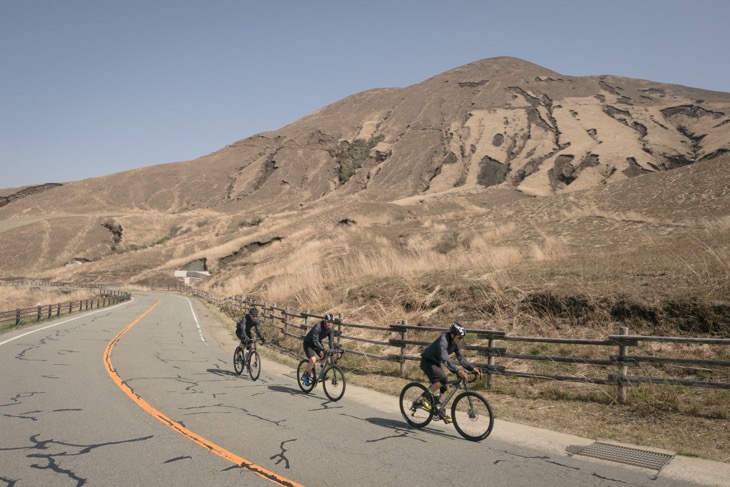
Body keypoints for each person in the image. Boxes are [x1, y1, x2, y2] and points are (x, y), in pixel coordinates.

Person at [419, 321, 482, 423]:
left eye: (462, 338)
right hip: (427, 362)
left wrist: (472, 368)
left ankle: (439, 409)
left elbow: (461, 359)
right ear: (452, 335)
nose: (461, 340)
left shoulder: (455, 343)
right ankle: (424, 398)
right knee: (443, 379)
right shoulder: (443, 342)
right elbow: (445, 359)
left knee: (445, 389)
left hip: (436, 363)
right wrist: (457, 371)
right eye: (459, 338)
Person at [301, 313, 337, 386]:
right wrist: (323, 349)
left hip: (317, 344)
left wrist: (332, 349)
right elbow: (315, 341)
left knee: (326, 357)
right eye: (328, 322)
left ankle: (319, 373)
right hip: (309, 343)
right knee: (313, 360)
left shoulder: (331, 328)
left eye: (331, 322)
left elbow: (331, 340)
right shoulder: (318, 326)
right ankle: (305, 376)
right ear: (325, 321)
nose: (330, 324)